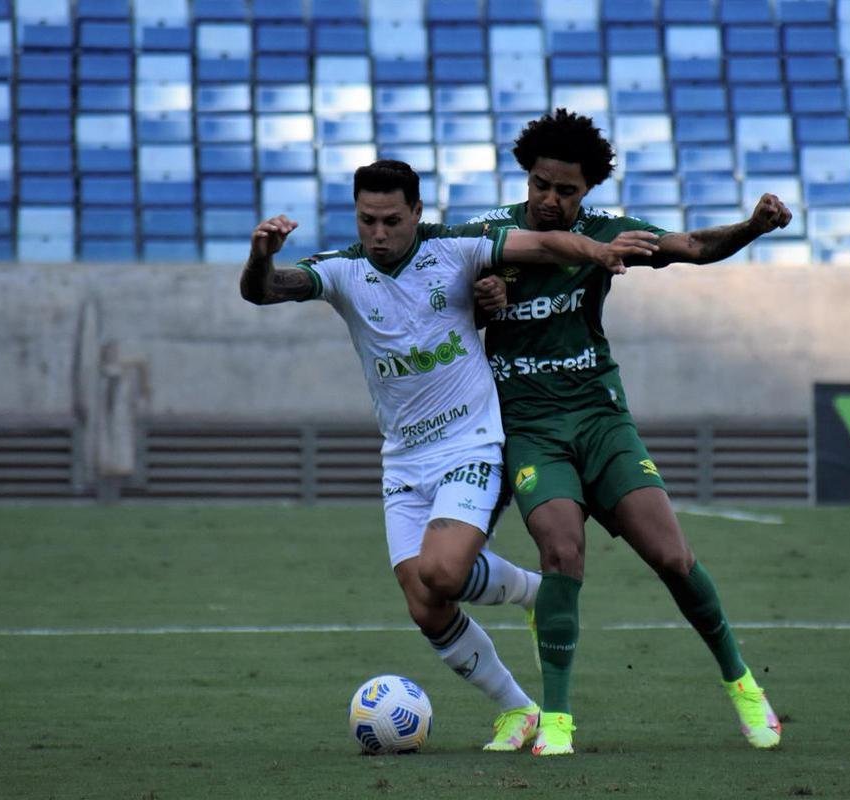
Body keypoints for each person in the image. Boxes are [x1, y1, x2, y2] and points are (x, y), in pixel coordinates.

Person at [240, 159, 659, 752]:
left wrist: (595, 250)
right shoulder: (342, 271)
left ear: (416, 212)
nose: (378, 233)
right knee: (424, 604)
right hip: (403, 458)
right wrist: (261, 254)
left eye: (391, 220)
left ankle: (535, 593)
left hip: (471, 443)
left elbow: (540, 243)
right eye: (366, 220)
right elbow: (262, 291)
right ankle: (518, 707)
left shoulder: (456, 249)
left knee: (442, 572)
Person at [470, 109, 793, 756]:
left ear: (587, 190)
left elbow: (692, 247)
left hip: (600, 421)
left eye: (566, 190)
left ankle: (742, 683)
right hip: (531, 428)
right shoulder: (487, 235)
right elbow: (437, 302)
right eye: (540, 185)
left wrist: (753, 227)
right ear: (526, 177)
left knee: (672, 557)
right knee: (561, 553)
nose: (550, 199)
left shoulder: (607, 233)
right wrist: (478, 302)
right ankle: (557, 719)